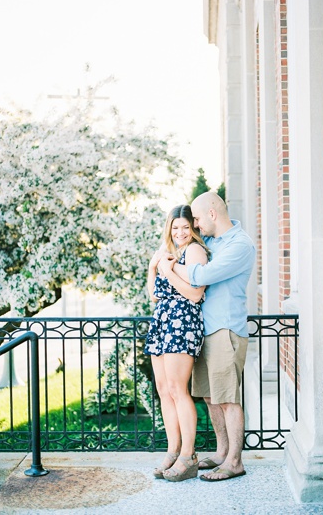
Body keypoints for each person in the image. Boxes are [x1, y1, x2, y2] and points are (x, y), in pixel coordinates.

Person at [158, 191, 256, 482]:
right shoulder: (212, 242)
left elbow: (200, 276)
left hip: (225, 329)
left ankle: (235, 461)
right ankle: (221, 452)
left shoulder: (240, 245)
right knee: (211, 397)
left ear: (212, 214)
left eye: (197, 218)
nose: (195, 225)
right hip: (204, 329)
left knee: (227, 398)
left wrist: (170, 266)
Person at [145, 205, 209, 482]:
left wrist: (169, 271)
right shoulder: (165, 250)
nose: (181, 232)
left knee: (177, 389)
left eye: (186, 227)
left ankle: (188, 455)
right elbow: (155, 296)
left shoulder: (195, 251)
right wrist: (153, 268)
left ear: (193, 228)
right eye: (176, 227)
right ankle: (172, 451)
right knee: (163, 389)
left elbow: (195, 294)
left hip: (182, 321)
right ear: (169, 227)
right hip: (162, 320)